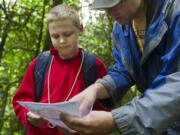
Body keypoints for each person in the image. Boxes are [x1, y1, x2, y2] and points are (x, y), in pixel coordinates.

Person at [60, 0, 180, 135]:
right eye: (105, 7)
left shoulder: (175, 11)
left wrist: (117, 121)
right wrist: (95, 89)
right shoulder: (121, 28)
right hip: (160, 125)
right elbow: (124, 70)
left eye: (115, 4)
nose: (109, 12)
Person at [12, 4, 108, 135]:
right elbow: (21, 100)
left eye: (67, 34)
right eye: (55, 36)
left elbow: (104, 111)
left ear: (80, 29)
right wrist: (29, 116)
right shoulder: (40, 64)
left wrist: (80, 127)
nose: (62, 40)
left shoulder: (94, 66)